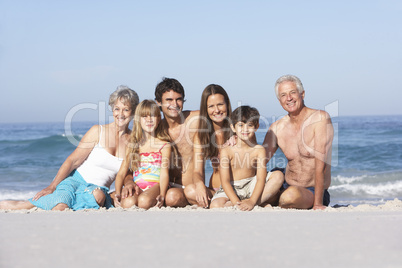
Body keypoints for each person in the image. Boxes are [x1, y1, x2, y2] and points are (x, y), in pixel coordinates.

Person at [0, 86, 139, 211]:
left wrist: (129, 183)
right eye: (117, 108)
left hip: (97, 189)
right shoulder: (98, 131)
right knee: (60, 207)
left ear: (132, 112)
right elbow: (73, 161)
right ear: (112, 109)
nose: (120, 114)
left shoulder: (133, 141)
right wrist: (52, 186)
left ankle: (39, 203)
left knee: (97, 196)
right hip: (74, 181)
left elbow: (127, 172)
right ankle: (24, 204)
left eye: (126, 109)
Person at [185, 84, 284, 208]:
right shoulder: (202, 136)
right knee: (190, 191)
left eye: (220, 104)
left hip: (248, 187)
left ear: (227, 104)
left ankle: (251, 203)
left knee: (276, 180)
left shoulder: (242, 129)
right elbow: (197, 171)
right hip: (219, 189)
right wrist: (199, 185)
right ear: (206, 109)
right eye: (211, 106)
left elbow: (253, 159)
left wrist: (238, 138)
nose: (216, 110)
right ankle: (245, 203)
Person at [263, 74, 334, 210]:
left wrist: (318, 203)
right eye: (283, 95)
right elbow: (258, 161)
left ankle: (273, 199)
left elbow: (321, 166)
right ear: (279, 101)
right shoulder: (277, 128)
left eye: (292, 93)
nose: (288, 98)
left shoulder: (320, 119)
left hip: (312, 191)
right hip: (285, 182)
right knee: (274, 183)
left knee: (289, 197)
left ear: (302, 94)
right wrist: (235, 138)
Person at [210, 106, 280, 211]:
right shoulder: (227, 151)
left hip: (251, 184)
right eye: (241, 125)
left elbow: (261, 179)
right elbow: (225, 181)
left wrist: (252, 201)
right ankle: (248, 204)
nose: (245, 129)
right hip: (232, 186)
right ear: (233, 128)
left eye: (250, 125)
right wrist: (236, 203)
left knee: (278, 176)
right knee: (215, 205)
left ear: (256, 127)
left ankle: (254, 202)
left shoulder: (258, 150)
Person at [114, 100, 172, 210]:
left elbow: (164, 174)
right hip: (138, 187)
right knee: (128, 203)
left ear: (159, 119)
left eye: (153, 116)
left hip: (156, 186)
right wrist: (117, 193)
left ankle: (150, 199)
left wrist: (163, 194)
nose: (149, 119)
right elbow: (121, 173)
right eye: (144, 116)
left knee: (143, 201)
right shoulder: (133, 145)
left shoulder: (164, 146)